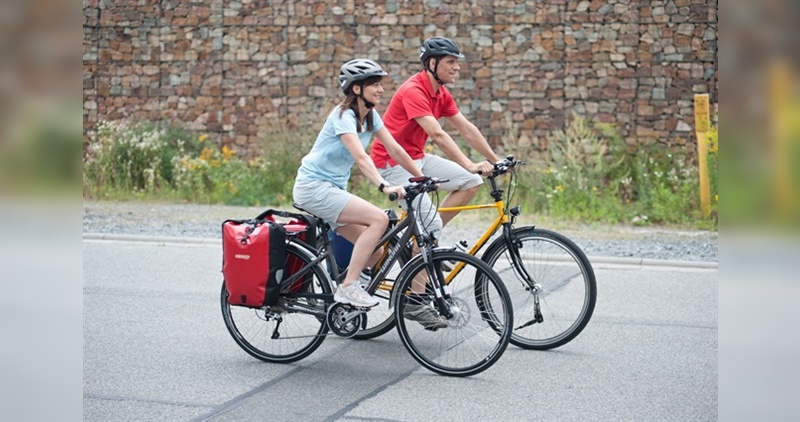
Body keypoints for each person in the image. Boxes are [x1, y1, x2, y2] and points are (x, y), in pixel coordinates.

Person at [292, 58, 424, 308]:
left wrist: (420, 176)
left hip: (331, 190)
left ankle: (344, 305)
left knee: (375, 251)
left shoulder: (371, 116)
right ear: (356, 89)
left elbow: (395, 148)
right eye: (374, 84)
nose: (381, 89)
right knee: (379, 219)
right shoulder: (343, 116)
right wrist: (384, 186)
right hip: (314, 188)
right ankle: (348, 288)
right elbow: (361, 158)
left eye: (380, 84)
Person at [370, 36, 502, 242]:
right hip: (392, 163)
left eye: (457, 62)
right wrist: (469, 163)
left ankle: (423, 237)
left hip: (416, 158)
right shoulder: (414, 90)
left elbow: (466, 128)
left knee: (471, 181)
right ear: (432, 63)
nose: (457, 67)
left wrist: (495, 160)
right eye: (450, 62)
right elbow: (437, 135)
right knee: (431, 226)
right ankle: (425, 244)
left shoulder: (440, 93)